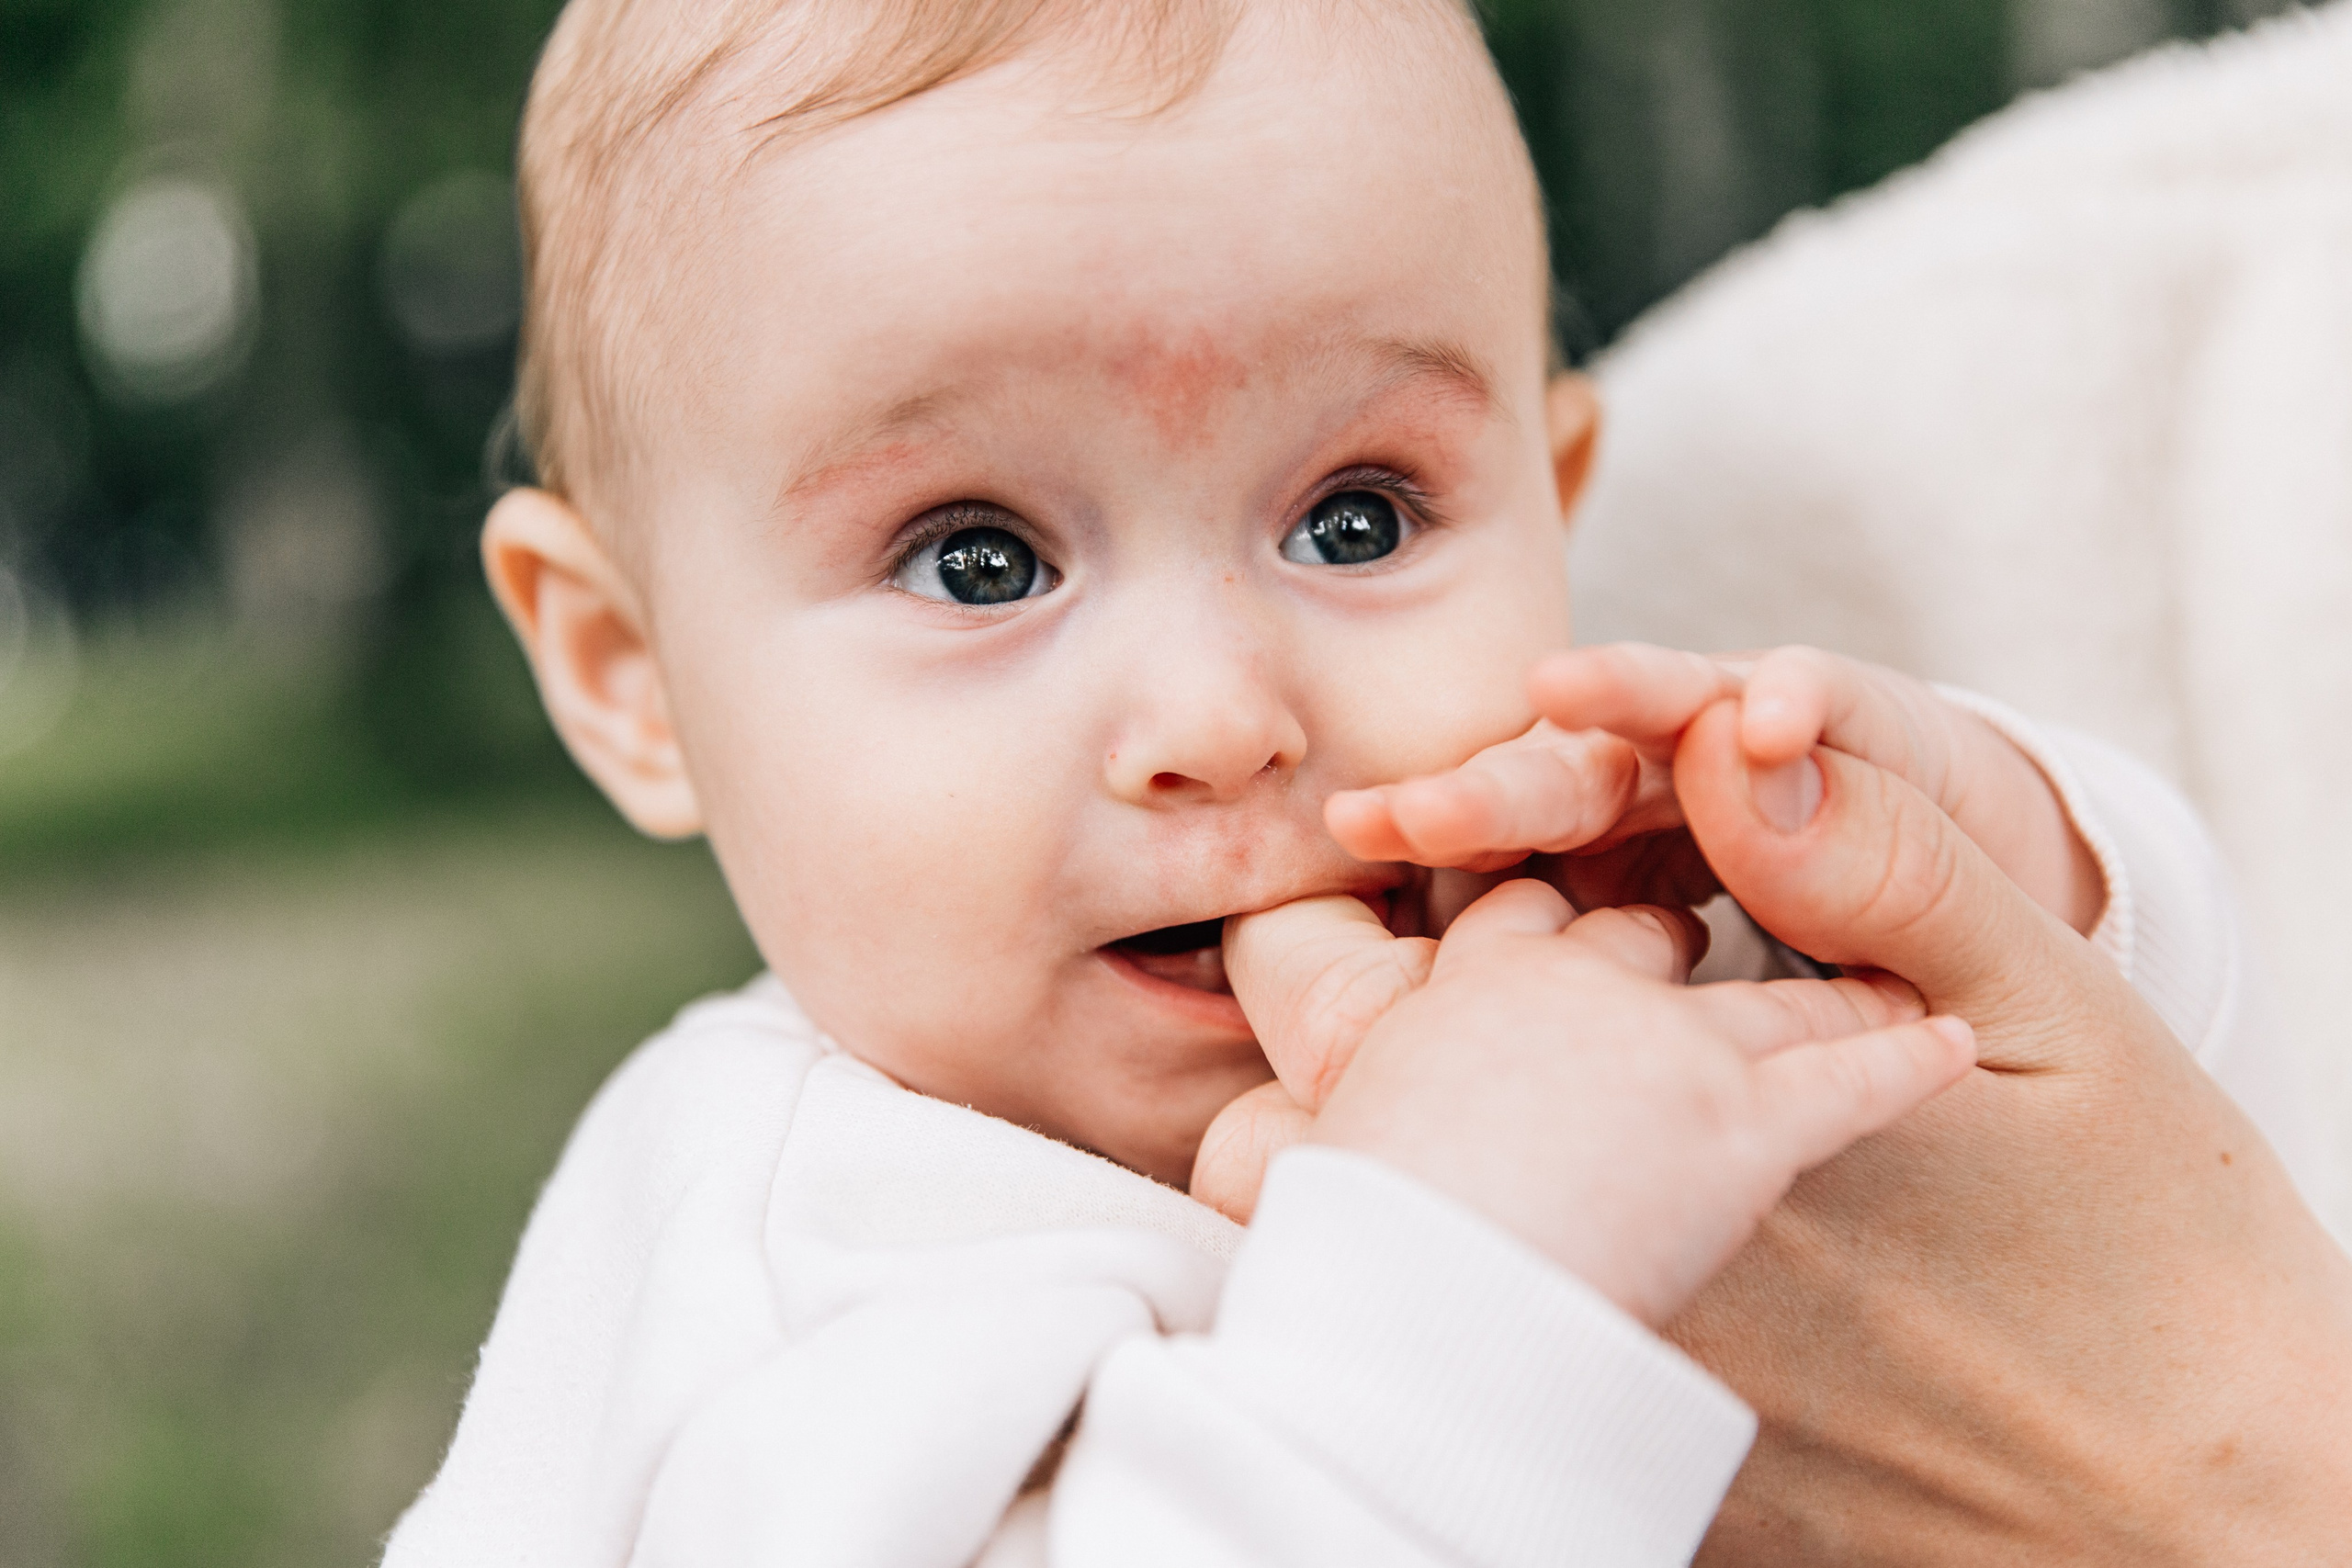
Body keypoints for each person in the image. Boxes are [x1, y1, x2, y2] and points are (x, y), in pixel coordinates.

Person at [380, 0, 2310, 1560]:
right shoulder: (795, 1247)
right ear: (630, 677)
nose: (1223, 715)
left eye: (1356, 515)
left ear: (1551, 516)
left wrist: (1998, 856)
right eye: (978, 556)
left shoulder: (1572, 960)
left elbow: (2134, 1176)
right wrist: (1467, 1278)